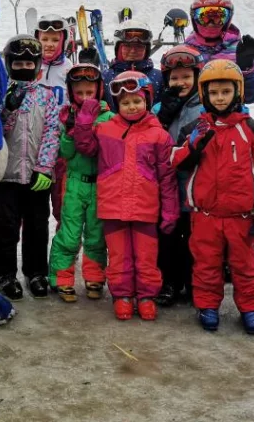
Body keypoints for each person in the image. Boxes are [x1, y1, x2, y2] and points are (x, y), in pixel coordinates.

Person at [171, 60, 254, 334]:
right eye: (214, 93)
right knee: (206, 264)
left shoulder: (252, 130)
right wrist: (193, 146)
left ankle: (251, 308)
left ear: (237, 93)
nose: (220, 98)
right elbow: (175, 161)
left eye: (226, 92)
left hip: (240, 217)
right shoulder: (197, 129)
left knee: (245, 266)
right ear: (205, 95)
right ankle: (207, 305)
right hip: (205, 216)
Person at [75, 71, 179, 321]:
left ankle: (145, 296)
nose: (131, 107)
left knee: (145, 257)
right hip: (114, 208)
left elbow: (166, 177)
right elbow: (85, 147)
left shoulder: (159, 135)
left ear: (147, 100)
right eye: (125, 102)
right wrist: (84, 120)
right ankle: (122, 295)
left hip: (145, 209)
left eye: (136, 101)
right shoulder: (105, 129)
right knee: (120, 257)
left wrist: (170, 210)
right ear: (116, 104)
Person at [0, 35, 61, 300]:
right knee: (7, 225)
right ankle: (4, 274)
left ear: (37, 65)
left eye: (28, 64)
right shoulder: (1, 94)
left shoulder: (47, 96)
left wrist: (44, 167)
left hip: (37, 175)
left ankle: (36, 272)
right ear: (8, 64)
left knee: (37, 225)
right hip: (7, 174)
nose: (23, 68)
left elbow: (53, 131)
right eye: (17, 64)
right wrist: (8, 108)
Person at [48, 64, 112, 302]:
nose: (85, 98)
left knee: (96, 235)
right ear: (71, 92)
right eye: (79, 93)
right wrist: (71, 130)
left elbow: (108, 151)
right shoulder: (68, 116)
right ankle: (61, 278)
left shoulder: (108, 117)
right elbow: (65, 153)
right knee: (70, 233)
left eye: (89, 92)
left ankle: (95, 276)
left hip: (99, 184)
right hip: (74, 182)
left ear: (99, 91)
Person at [151, 45, 204, 306]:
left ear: (197, 77)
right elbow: (146, 137)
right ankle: (169, 281)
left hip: (197, 185)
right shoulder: (160, 106)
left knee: (195, 238)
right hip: (167, 186)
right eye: (174, 77)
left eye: (186, 76)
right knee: (168, 236)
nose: (180, 82)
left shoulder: (206, 104)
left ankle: (194, 282)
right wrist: (161, 118)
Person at [185, 0, 254, 104]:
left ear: (228, 18)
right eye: (204, 17)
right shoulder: (186, 52)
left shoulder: (238, 51)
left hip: (230, 116)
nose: (211, 23)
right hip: (193, 119)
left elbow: (253, 96)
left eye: (218, 17)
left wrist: (246, 69)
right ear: (194, 18)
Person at [34, 14, 73, 224]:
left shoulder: (70, 71)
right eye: (45, 39)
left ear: (63, 41)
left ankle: (66, 255)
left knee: (64, 206)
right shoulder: (29, 68)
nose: (49, 45)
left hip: (61, 151)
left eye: (55, 40)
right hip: (34, 150)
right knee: (32, 211)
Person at [102, 20, 162, 111]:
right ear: (118, 48)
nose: (133, 51)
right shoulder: (105, 77)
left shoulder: (160, 77)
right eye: (127, 46)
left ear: (147, 50)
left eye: (139, 47)